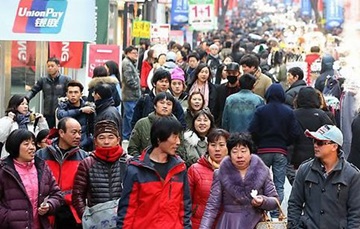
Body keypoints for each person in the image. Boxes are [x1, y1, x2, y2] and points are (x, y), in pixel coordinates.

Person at [117, 116, 192, 229]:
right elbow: (127, 212)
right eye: (174, 137)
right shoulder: (136, 170)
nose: (178, 142)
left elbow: (185, 207)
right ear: (159, 138)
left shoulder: (179, 168)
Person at [200, 132, 279, 229]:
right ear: (229, 153)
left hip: (256, 223)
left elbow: (275, 201)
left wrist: (263, 201)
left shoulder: (263, 171)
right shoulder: (220, 173)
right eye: (234, 151)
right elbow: (212, 206)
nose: (239, 155)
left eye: (243, 151)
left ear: (250, 152)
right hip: (229, 223)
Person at [288, 125, 360, 228]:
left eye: (320, 142)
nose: (315, 145)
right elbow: (294, 203)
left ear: (334, 146)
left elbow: (356, 214)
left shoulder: (352, 175)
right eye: (314, 141)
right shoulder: (304, 170)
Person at [248, 83, 301, 211]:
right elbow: (295, 133)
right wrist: (285, 143)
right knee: (279, 185)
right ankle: (276, 213)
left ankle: (262, 209)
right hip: (280, 151)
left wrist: (259, 142)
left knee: (260, 182)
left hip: (263, 150)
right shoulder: (288, 111)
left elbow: (252, 130)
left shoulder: (261, 110)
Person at [0, 129, 63, 229]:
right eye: (26, 144)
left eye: (33, 144)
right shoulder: (4, 169)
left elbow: (57, 194)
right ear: (15, 146)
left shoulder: (42, 167)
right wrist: (7, 217)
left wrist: (49, 205)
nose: (32, 148)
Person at [36, 117, 88, 228]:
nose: (78, 136)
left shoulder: (84, 157)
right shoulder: (41, 155)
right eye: (74, 132)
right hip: (47, 210)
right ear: (61, 133)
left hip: (73, 214)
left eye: (80, 132)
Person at [72, 120, 128, 219]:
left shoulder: (128, 162)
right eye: (101, 137)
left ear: (118, 139)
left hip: (124, 220)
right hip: (97, 221)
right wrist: (87, 218)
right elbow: (77, 196)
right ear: (95, 141)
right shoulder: (87, 163)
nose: (106, 142)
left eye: (111, 137)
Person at [188, 128, 229, 229]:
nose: (217, 149)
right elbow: (185, 201)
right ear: (207, 147)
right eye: (213, 145)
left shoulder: (236, 170)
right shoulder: (195, 169)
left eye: (222, 145)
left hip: (226, 223)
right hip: (199, 223)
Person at [291, 87, 334, 169]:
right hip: (317, 154)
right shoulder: (321, 115)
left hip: (297, 155)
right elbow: (332, 134)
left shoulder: (292, 114)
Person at [26, 57, 71, 128]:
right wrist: (26, 99)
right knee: (47, 133)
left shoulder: (66, 80)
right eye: (48, 66)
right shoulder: (43, 80)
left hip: (61, 113)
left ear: (58, 66)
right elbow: (33, 91)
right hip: (47, 113)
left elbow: (71, 94)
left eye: (52, 66)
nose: (50, 68)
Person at [128, 92, 177, 156]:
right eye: (162, 103)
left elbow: (180, 150)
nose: (165, 106)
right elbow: (133, 148)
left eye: (169, 104)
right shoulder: (142, 124)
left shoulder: (176, 125)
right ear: (155, 105)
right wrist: (141, 161)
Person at [57, 80, 95, 151]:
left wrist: (90, 140)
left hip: (84, 145)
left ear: (81, 94)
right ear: (66, 94)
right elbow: (61, 116)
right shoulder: (63, 106)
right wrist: (80, 111)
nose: (73, 95)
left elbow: (93, 127)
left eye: (76, 92)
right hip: (67, 145)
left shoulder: (88, 107)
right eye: (70, 92)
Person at [122, 45, 141, 141]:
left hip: (131, 95)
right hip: (130, 95)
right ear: (128, 53)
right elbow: (129, 79)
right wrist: (137, 86)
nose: (136, 55)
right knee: (130, 117)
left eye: (136, 53)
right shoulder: (127, 63)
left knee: (127, 117)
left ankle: (126, 136)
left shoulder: (131, 63)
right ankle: (131, 137)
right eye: (133, 53)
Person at [213, 62, 241, 127]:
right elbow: (216, 108)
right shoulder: (220, 89)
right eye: (229, 73)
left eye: (234, 73)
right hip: (222, 123)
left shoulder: (241, 89)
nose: (231, 75)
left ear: (238, 74)